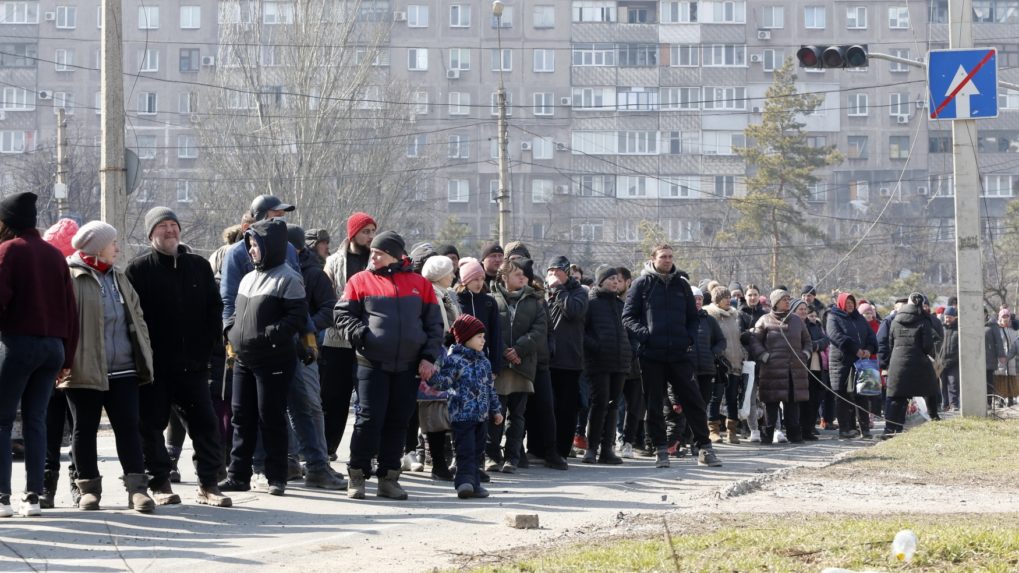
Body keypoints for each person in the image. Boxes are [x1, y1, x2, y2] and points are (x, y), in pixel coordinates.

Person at [125, 207, 232, 508]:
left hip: (194, 366)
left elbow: (215, 308)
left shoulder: (198, 266)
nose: (170, 231)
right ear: (151, 234)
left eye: (173, 225)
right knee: (151, 426)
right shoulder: (138, 269)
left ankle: (208, 484)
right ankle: (160, 483)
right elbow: (133, 319)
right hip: (155, 368)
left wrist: (209, 347)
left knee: (206, 425)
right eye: (163, 226)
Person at [335, 231, 443, 500]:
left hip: (408, 366)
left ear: (395, 255)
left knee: (398, 421)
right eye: (372, 251)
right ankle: (357, 475)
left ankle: (389, 477)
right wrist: (360, 334)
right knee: (369, 419)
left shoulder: (420, 284)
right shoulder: (360, 280)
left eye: (379, 252)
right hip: (371, 363)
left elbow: (434, 325)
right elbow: (342, 313)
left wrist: (428, 357)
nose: (372, 256)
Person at [62, 222, 155, 513]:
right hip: (83, 369)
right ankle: (89, 489)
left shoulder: (118, 276)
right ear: (96, 247)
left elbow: (137, 316)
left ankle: (138, 490)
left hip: (124, 368)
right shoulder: (70, 276)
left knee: (128, 427)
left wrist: (144, 352)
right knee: (84, 429)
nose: (117, 247)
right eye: (112, 242)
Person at [0, 193, 79, 517]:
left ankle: (2, 498)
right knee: (36, 421)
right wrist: (67, 358)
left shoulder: (7, 251)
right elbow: (70, 312)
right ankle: (33, 497)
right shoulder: (54, 256)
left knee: (2, 422)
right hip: (53, 349)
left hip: (18, 345)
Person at [218, 219, 308, 497]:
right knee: (241, 418)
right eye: (250, 245)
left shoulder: (289, 277)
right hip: (244, 359)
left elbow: (297, 317)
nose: (252, 250)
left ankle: (276, 476)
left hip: (274, 361)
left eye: (256, 245)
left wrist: (271, 335)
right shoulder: (248, 277)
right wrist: (231, 331)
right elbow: (234, 309)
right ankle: (238, 475)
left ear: (271, 246)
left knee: (271, 418)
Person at [622, 244, 722, 468]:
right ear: (653, 258)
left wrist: (687, 338)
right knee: (654, 404)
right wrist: (646, 336)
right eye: (663, 257)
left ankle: (704, 448)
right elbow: (628, 317)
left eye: (670, 257)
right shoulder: (642, 284)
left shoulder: (681, 285)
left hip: (679, 354)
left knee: (694, 401)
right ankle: (660, 449)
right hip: (651, 355)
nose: (667, 260)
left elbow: (693, 317)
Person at [281, 225, 347, 490]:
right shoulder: (267, 269)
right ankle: (289, 460)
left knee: (310, 405)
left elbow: (330, 309)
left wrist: (304, 325)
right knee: (283, 407)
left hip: (306, 349)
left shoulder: (314, 274)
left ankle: (318, 463)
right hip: (278, 348)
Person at [423, 315, 503, 499]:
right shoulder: (454, 360)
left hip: (481, 416)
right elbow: (444, 383)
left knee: (477, 451)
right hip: (462, 416)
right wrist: (431, 376)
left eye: (483, 336)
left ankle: (474, 483)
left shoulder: (484, 362)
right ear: (466, 337)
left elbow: (490, 389)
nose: (483, 340)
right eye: (479, 337)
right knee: (465, 450)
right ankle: (464, 482)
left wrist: (496, 410)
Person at [321, 212, 376, 460]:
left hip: (367, 338)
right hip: (336, 339)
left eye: (373, 231)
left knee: (367, 399)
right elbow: (326, 295)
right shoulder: (333, 262)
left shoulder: (376, 262)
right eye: (366, 231)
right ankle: (328, 448)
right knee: (334, 397)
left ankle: (367, 452)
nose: (370, 237)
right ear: (353, 233)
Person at [488, 258, 547, 473]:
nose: (523, 277)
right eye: (517, 274)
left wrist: (519, 350)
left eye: (524, 274)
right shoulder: (491, 299)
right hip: (500, 366)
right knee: (496, 412)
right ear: (504, 277)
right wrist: (504, 351)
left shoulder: (534, 300)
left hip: (523, 366)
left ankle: (512, 458)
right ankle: (492, 456)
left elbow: (540, 330)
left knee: (517, 415)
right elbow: (488, 329)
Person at [746, 292, 812, 444]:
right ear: (775, 302)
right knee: (771, 405)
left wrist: (805, 354)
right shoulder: (764, 320)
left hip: (794, 371)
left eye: (789, 299)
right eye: (784, 299)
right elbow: (755, 341)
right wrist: (764, 356)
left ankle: (795, 436)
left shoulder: (797, 320)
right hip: (772, 371)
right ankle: (767, 436)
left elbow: (807, 340)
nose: (787, 302)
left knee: (792, 405)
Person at [581, 266, 632, 464]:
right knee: (599, 404)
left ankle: (607, 449)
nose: (615, 282)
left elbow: (629, 330)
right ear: (601, 281)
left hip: (620, 362)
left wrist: (630, 349)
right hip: (598, 362)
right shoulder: (591, 302)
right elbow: (582, 332)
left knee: (613, 406)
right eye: (611, 279)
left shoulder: (621, 305)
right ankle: (591, 448)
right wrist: (597, 346)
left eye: (617, 280)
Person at [418, 254, 460, 481]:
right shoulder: (430, 295)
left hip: (447, 356)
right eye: (449, 271)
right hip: (434, 357)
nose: (453, 275)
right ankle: (437, 463)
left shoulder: (447, 296)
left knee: (448, 410)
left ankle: (452, 462)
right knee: (434, 411)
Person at [545, 256, 589, 460]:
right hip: (548, 360)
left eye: (557, 271)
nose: (553, 276)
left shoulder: (578, 292)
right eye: (550, 271)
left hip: (570, 360)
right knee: (547, 408)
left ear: (566, 273)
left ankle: (562, 450)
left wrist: (559, 289)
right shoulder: (545, 292)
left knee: (567, 409)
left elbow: (573, 311)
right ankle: (545, 449)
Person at [881, 293, 938, 436]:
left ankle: (890, 429)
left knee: (895, 397)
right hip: (919, 364)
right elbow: (927, 346)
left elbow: (890, 343)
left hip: (897, 363)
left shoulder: (895, 320)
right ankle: (935, 419)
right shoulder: (923, 320)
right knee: (930, 391)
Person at [826, 292, 878, 439]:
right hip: (841, 362)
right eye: (847, 302)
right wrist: (856, 349)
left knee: (862, 394)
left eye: (852, 302)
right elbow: (835, 336)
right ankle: (845, 428)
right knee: (841, 394)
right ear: (841, 303)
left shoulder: (859, 318)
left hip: (861, 362)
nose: (850, 305)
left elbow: (870, 336)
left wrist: (868, 349)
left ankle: (865, 429)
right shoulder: (833, 317)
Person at [704, 286, 745, 445]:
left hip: (735, 363)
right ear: (716, 299)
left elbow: (737, 339)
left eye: (729, 297)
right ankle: (713, 430)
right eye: (724, 297)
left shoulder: (733, 316)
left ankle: (732, 431)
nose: (729, 300)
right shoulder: (711, 316)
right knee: (716, 397)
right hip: (720, 364)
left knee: (732, 398)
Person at [689, 287, 726, 444]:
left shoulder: (709, 320)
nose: (697, 301)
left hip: (706, 369)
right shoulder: (682, 319)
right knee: (690, 404)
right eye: (694, 298)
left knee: (702, 405)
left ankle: (700, 440)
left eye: (699, 299)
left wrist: (713, 353)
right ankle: (686, 438)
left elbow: (721, 341)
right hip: (687, 370)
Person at [797, 304, 830, 440]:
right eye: (801, 309)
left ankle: (809, 428)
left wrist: (814, 345)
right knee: (803, 401)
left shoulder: (814, 325)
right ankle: (800, 428)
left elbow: (825, 340)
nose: (804, 312)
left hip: (816, 367)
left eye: (806, 309)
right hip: (801, 368)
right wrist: (812, 346)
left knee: (815, 399)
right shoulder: (793, 326)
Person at [940, 307, 960, 410]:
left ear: (954, 318)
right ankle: (945, 404)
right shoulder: (941, 328)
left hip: (954, 361)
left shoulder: (958, 329)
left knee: (953, 383)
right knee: (943, 384)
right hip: (942, 361)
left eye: (950, 317)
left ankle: (954, 404)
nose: (948, 319)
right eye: (946, 317)